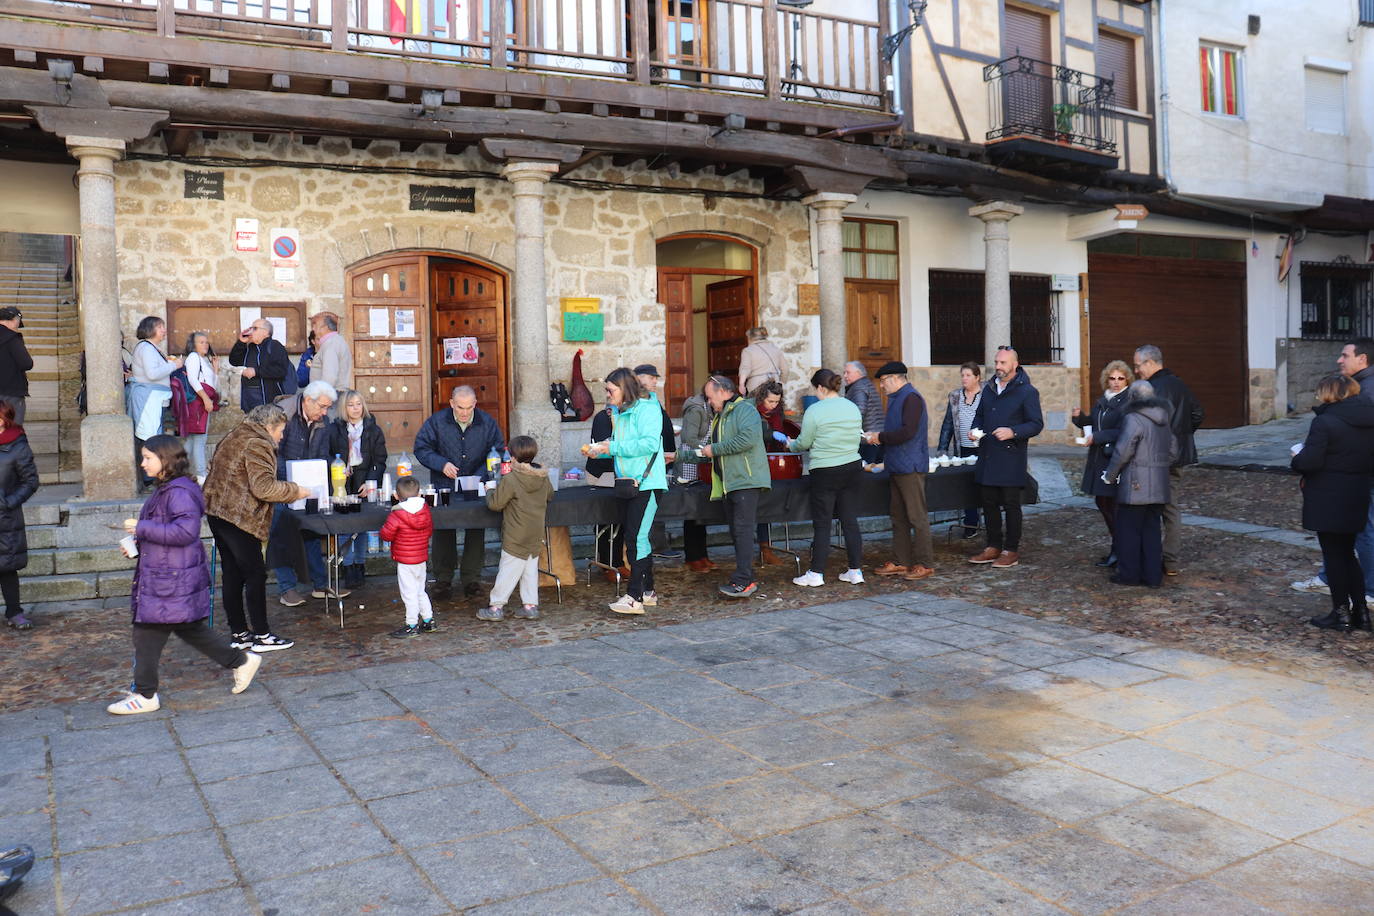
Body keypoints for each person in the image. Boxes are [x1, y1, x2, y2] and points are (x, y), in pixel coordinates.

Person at [107, 435, 262, 715]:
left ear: (165, 460)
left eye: (147, 458)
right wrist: (138, 545)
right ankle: (240, 661)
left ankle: (145, 694)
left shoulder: (177, 492)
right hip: (168, 574)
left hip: (171, 579)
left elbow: (185, 533)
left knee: (147, 632)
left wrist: (141, 529)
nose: (142, 463)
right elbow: (168, 530)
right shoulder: (167, 489)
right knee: (189, 628)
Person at [203, 404, 312, 653]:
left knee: (232, 573)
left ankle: (240, 633)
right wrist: (296, 491)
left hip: (218, 512)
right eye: (281, 431)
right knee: (254, 574)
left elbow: (214, 467)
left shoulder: (235, 434)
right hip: (239, 517)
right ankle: (262, 635)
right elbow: (263, 488)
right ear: (269, 426)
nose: (282, 437)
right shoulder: (258, 443)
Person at [1291, 374, 1374, 632]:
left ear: (1329, 393)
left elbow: (1310, 461)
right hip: (1358, 491)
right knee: (1348, 553)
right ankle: (1360, 612)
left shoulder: (1325, 422)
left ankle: (1341, 613)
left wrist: (1297, 456)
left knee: (1335, 555)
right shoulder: (1369, 420)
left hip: (1329, 494)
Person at [586, 368, 668, 615]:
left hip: (647, 483)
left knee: (636, 539)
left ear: (624, 389)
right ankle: (648, 591)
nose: (607, 394)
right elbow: (620, 446)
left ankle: (634, 597)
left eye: (610, 390)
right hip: (628, 483)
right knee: (637, 537)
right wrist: (602, 449)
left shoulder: (648, 409)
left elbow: (650, 443)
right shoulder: (621, 413)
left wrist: (612, 446)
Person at [413, 385, 506, 600]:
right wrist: (441, 463)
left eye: (468, 407)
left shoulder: (487, 422)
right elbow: (421, 447)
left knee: (476, 529)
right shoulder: (437, 422)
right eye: (460, 407)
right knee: (443, 529)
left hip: (477, 484)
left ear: (475, 404)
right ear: (452, 403)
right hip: (445, 483)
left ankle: (471, 579)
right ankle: (443, 579)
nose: (464, 412)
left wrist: (482, 475)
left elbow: (498, 450)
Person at [783, 369, 864, 587]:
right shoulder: (852, 406)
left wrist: (791, 445)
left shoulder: (815, 410)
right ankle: (855, 571)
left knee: (822, 523)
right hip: (852, 466)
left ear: (820, 388)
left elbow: (805, 442)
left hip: (825, 470)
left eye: (814, 389)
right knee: (849, 520)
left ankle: (816, 573)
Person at [268, 380, 344, 607]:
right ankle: (287, 589)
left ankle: (320, 584)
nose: (325, 412)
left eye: (328, 407)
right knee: (281, 536)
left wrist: (331, 468)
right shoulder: (283, 415)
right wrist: (292, 479)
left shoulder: (324, 421)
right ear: (308, 400)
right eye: (321, 406)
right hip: (282, 484)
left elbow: (322, 454)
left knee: (312, 532)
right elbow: (273, 453)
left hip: (310, 486)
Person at [968, 347, 1043, 569]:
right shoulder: (989, 389)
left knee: (1011, 505)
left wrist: (1013, 431)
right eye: (996, 362)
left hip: (1011, 457)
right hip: (988, 455)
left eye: (1003, 363)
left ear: (1015, 365)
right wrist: (975, 430)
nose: (998, 366)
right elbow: (979, 415)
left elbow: (1036, 424)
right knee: (988, 502)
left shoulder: (1027, 391)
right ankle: (993, 546)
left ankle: (1011, 549)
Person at [695, 374, 770, 598]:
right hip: (730, 484)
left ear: (723, 392)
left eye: (710, 398)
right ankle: (746, 577)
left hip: (745, 480)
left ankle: (743, 581)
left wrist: (714, 450)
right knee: (738, 533)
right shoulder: (721, 417)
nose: (709, 403)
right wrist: (677, 456)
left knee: (743, 532)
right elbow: (708, 450)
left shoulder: (745, 410)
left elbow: (747, 439)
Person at [1133, 344, 1204, 577]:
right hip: (1178, 456)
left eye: (1137, 365)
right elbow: (1197, 414)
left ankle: (1152, 559)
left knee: (1151, 509)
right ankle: (1170, 561)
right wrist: (1182, 435)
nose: (1136, 371)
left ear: (1150, 363)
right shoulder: (1180, 384)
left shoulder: (1151, 388)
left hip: (1156, 457)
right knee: (1171, 508)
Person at [1101, 381, 1176, 588]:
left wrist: (1110, 475)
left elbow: (1123, 452)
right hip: (1159, 485)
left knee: (1128, 532)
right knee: (1151, 532)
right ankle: (1152, 577)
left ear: (1132, 398)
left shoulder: (1133, 419)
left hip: (1135, 485)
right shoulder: (1164, 418)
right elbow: (1173, 452)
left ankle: (1129, 575)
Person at [866, 362, 935, 581]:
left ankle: (925, 563)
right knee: (898, 517)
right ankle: (901, 561)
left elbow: (907, 432)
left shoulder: (911, 398)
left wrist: (880, 437)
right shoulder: (898, 399)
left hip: (910, 466)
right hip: (897, 465)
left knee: (917, 516)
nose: (882, 386)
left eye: (884, 381)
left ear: (895, 379)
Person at [479, 435, 555, 621]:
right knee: (529, 570)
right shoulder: (542, 477)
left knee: (508, 570)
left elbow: (496, 504)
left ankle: (496, 607)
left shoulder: (512, 479)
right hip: (535, 532)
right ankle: (530, 605)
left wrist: (489, 491)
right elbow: (550, 495)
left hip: (516, 533)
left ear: (512, 457)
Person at [1071, 360, 1131, 567]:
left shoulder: (1128, 402)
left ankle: (1121, 550)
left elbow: (1123, 430)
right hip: (1098, 458)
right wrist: (1080, 419)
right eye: (1112, 378)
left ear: (1127, 380)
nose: (1115, 382)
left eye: (1120, 378)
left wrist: (1098, 437)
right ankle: (1118, 547)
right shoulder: (1102, 400)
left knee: (1113, 506)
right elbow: (1094, 423)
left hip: (1113, 459)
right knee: (1102, 503)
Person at [329, 388, 388, 588]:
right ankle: (347, 565)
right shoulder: (335, 429)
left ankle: (360, 565)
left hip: (364, 480)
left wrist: (371, 481)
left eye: (358, 404)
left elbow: (380, 460)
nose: (355, 409)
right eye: (350, 405)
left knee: (362, 526)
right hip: (342, 482)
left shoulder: (373, 429)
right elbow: (326, 453)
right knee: (345, 526)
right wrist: (337, 466)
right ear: (344, 408)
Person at [379, 476, 438, 638]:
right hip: (420, 557)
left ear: (396, 496)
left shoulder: (396, 514)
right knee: (420, 591)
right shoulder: (425, 509)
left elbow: (386, 535)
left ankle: (411, 624)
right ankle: (428, 620)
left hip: (405, 561)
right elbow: (429, 531)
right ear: (419, 493)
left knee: (409, 594)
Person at [127, 316, 182, 489]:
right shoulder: (146, 348)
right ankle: (150, 480)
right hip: (148, 400)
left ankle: (155, 477)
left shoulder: (151, 348)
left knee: (153, 438)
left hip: (154, 399)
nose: (164, 330)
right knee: (150, 439)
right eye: (160, 327)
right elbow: (152, 374)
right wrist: (175, 365)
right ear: (150, 329)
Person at [634, 364, 680, 560]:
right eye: (651, 377)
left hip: (662, 460)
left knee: (656, 504)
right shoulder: (638, 402)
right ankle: (653, 546)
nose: (655, 381)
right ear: (639, 378)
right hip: (650, 464)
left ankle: (659, 544)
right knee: (650, 505)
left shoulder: (652, 400)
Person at [0, 401, 38, 630]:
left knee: (6, 567)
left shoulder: (17, 445)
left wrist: (8, 503)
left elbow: (31, 481)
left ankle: (15, 612)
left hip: (5, 517)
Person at [753, 380, 797, 566]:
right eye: (770, 401)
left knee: (769, 504)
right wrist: (771, 434)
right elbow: (756, 433)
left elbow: (778, 430)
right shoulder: (751, 410)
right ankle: (763, 548)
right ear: (762, 397)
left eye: (777, 402)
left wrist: (782, 439)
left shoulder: (777, 411)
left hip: (772, 460)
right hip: (754, 460)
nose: (773, 405)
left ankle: (767, 548)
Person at [937, 361, 984, 538]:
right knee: (967, 487)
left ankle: (987, 521)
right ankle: (971, 523)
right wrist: (942, 449)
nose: (964, 378)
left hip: (983, 449)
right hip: (963, 449)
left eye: (968, 375)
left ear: (977, 377)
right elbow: (948, 424)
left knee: (984, 486)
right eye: (962, 375)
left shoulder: (986, 395)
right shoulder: (955, 396)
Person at [675, 385, 717, 572]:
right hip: (689, 462)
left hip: (703, 461)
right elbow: (688, 438)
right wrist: (707, 449)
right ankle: (692, 556)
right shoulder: (695, 410)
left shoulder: (713, 410)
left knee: (702, 510)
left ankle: (703, 554)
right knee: (691, 511)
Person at [585, 403, 627, 582]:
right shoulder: (602, 418)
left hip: (621, 473)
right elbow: (603, 448)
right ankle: (608, 563)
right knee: (606, 518)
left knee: (620, 520)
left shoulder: (629, 417)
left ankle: (618, 562)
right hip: (603, 473)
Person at [177, 331, 220, 482]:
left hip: (201, 401)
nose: (205, 344)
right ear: (193, 345)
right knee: (200, 439)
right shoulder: (194, 358)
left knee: (192, 440)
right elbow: (194, 381)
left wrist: (215, 369)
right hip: (198, 403)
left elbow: (212, 385)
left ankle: (177, 470)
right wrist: (206, 399)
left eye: (206, 342)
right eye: (201, 342)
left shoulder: (204, 360)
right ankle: (201, 475)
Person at [228, 318, 293, 410]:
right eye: (250, 328)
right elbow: (234, 361)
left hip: (267, 397)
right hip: (248, 396)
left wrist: (256, 371)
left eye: (254, 328)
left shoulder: (275, 346)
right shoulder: (250, 347)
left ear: (266, 332)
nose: (251, 331)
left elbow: (280, 370)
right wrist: (241, 343)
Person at [843, 361, 884, 466]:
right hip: (876, 438)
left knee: (866, 476)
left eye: (848, 372)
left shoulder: (858, 387)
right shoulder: (865, 384)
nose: (845, 376)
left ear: (858, 373)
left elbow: (858, 413)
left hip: (867, 440)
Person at [0, 307, 32, 426]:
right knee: (12, 429)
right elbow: (27, 363)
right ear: (15, 319)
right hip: (11, 392)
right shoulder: (12, 339)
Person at [309, 311, 353, 392]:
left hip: (330, 398)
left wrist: (321, 398)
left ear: (325, 327)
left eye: (315, 325)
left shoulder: (331, 344)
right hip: (335, 395)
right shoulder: (336, 340)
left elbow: (329, 377)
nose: (313, 329)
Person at [738, 326, 788, 395]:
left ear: (750, 338)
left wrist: (741, 384)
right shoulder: (775, 349)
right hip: (774, 384)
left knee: (756, 405)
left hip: (756, 386)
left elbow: (745, 368)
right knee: (773, 405)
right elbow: (785, 369)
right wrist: (782, 382)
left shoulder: (748, 350)